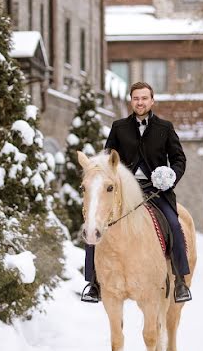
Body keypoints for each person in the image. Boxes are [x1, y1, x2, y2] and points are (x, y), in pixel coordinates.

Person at [81, 81, 192, 304]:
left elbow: (179, 159)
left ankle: (180, 280)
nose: (140, 102)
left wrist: (171, 176)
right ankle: (93, 283)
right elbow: (107, 159)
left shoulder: (165, 128)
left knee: (174, 224)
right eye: (136, 99)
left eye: (144, 98)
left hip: (156, 190)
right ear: (131, 101)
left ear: (152, 100)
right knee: (94, 224)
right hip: (124, 191)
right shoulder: (119, 127)